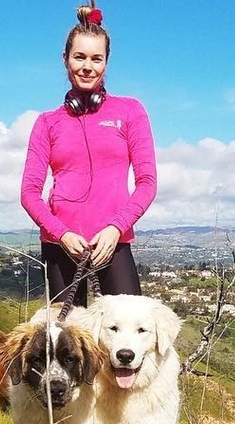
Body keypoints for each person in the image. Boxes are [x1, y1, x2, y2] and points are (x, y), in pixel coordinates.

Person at [20, 1, 157, 307]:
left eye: (96, 58)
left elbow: (147, 182)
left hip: (113, 243)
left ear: (106, 63)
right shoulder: (47, 123)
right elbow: (29, 193)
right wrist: (61, 234)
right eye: (79, 56)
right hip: (61, 246)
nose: (87, 66)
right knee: (68, 345)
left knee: (128, 338)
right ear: (65, 59)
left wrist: (115, 228)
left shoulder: (130, 111)